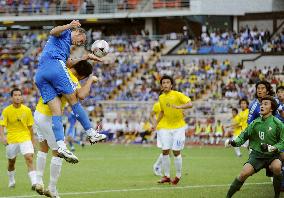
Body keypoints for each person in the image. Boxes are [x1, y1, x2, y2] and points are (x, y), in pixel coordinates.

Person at [34, 20, 106, 162]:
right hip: (54, 66)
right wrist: (69, 26)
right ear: (78, 32)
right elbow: (52, 31)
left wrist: (84, 57)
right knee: (74, 99)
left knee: (57, 111)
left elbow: (67, 63)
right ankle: (91, 132)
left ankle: (61, 145)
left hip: (41, 74)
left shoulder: (64, 47)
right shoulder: (65, 33)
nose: (81, 43)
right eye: (82, 40)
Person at [34, 60, 98, 197]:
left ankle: (38, 181)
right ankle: (51, 188)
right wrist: (91, 79)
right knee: (58, 152)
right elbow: (81, 95)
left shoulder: (61, 70)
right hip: (49, 117)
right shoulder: (72, 80)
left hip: (38, 112)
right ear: (82, 76)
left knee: (43, 148)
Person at [225, 96, 284, 198]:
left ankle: (277, 196)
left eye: (266, 104)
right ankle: (228, 197)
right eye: (261, 104)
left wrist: (272, 148)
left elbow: (282, 142)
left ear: (271, 108)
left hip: (272, 156)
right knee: (243, 174)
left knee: (277, 166)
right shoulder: (255, 122)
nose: (262, 106)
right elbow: (243, 136)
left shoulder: (278, 124)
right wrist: (233, 142)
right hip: (256, 156)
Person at [153, 75, 193, 185]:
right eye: (163, 83)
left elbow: (190, 104)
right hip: (165, 127)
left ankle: (178, 175)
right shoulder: (161, 97)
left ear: (171, 85)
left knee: (176, 151)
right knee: (165, 150)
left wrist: (181, 107)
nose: (165, 84)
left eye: (167, 82)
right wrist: (156, 123)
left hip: (179, 128)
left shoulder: (177, 94)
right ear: (161, 86)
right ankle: (166, 176)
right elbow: (162, 111)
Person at [0, 88, 37, 189]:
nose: (17, 97)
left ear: (22, 97)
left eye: (19, 95)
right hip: (11, 139)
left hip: (25, 138)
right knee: (11, 162)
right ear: (12, 97)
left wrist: (33, 141)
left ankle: (34, 183)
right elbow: (2, 125)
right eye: (15, 95)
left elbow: (30, 127)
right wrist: (2, 137)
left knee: (29, 158)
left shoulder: (27, 110)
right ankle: (11, 180)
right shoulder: (6, 110)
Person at [151, 101, 163, 176]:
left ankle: (157, 166)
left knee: (169, 151)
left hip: (170, 128)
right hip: (161, 128)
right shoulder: (157, 104)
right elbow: (151, 115)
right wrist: (154, 124)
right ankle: (157, 166)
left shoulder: (171, 103)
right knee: (167, 150)